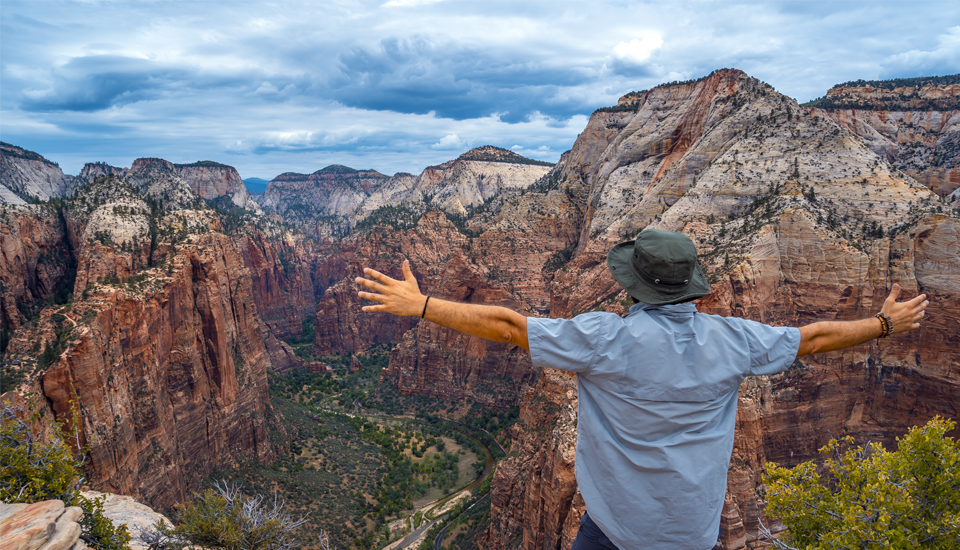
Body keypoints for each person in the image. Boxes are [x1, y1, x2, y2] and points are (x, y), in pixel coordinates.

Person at [355, 229, 929, 550]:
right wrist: (883, 324)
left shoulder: (604, 339)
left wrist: (422, 305)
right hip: (692, 534)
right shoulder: (735, 341)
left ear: (635, 286)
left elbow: (507, 326)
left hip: (611, 531)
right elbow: (816, 339)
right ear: (691, 288)